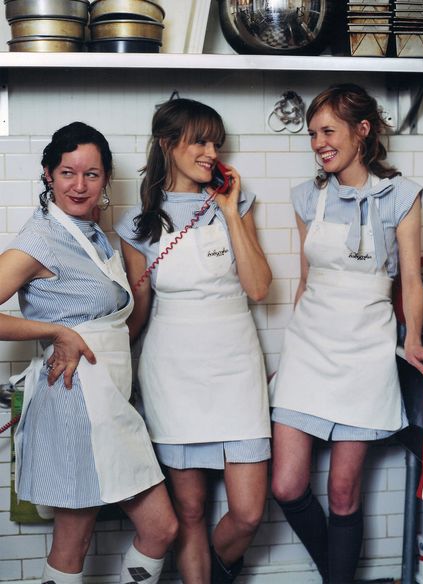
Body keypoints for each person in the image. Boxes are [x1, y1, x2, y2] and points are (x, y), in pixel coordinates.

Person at [269, 84, 423, 584]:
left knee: (345, 492)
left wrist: (412, 340)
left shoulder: (401, 195)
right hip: (308, 350)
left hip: (365, 353)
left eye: (328, 131)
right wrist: (289, 352)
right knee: (286, 485)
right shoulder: (307, 198)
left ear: (361, 130)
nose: (318, 143)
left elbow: (410, 279)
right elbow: (305, 281)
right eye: (312, 134)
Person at [0, 122, 178, 584]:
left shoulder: (94, 233)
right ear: (47, 176)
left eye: (92, 175)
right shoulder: (39, 238)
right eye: (67, 173)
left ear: (106, 179)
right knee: (73, 541)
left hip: (108, 400)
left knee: (161, 528)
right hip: (74, 402)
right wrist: (55, 331)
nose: (79, 186)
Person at [115, 98, 272, 584]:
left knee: (247, 512)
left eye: (216, 144)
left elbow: (259, 287)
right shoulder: (137, 226)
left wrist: (227, 210)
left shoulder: (234, 202)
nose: (210, 152)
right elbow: (138, 315)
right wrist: (103, 369)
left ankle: (216, 572)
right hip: (173, 374)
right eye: (200, 141)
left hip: (236, 370)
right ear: (168, 144)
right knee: (189, 513)